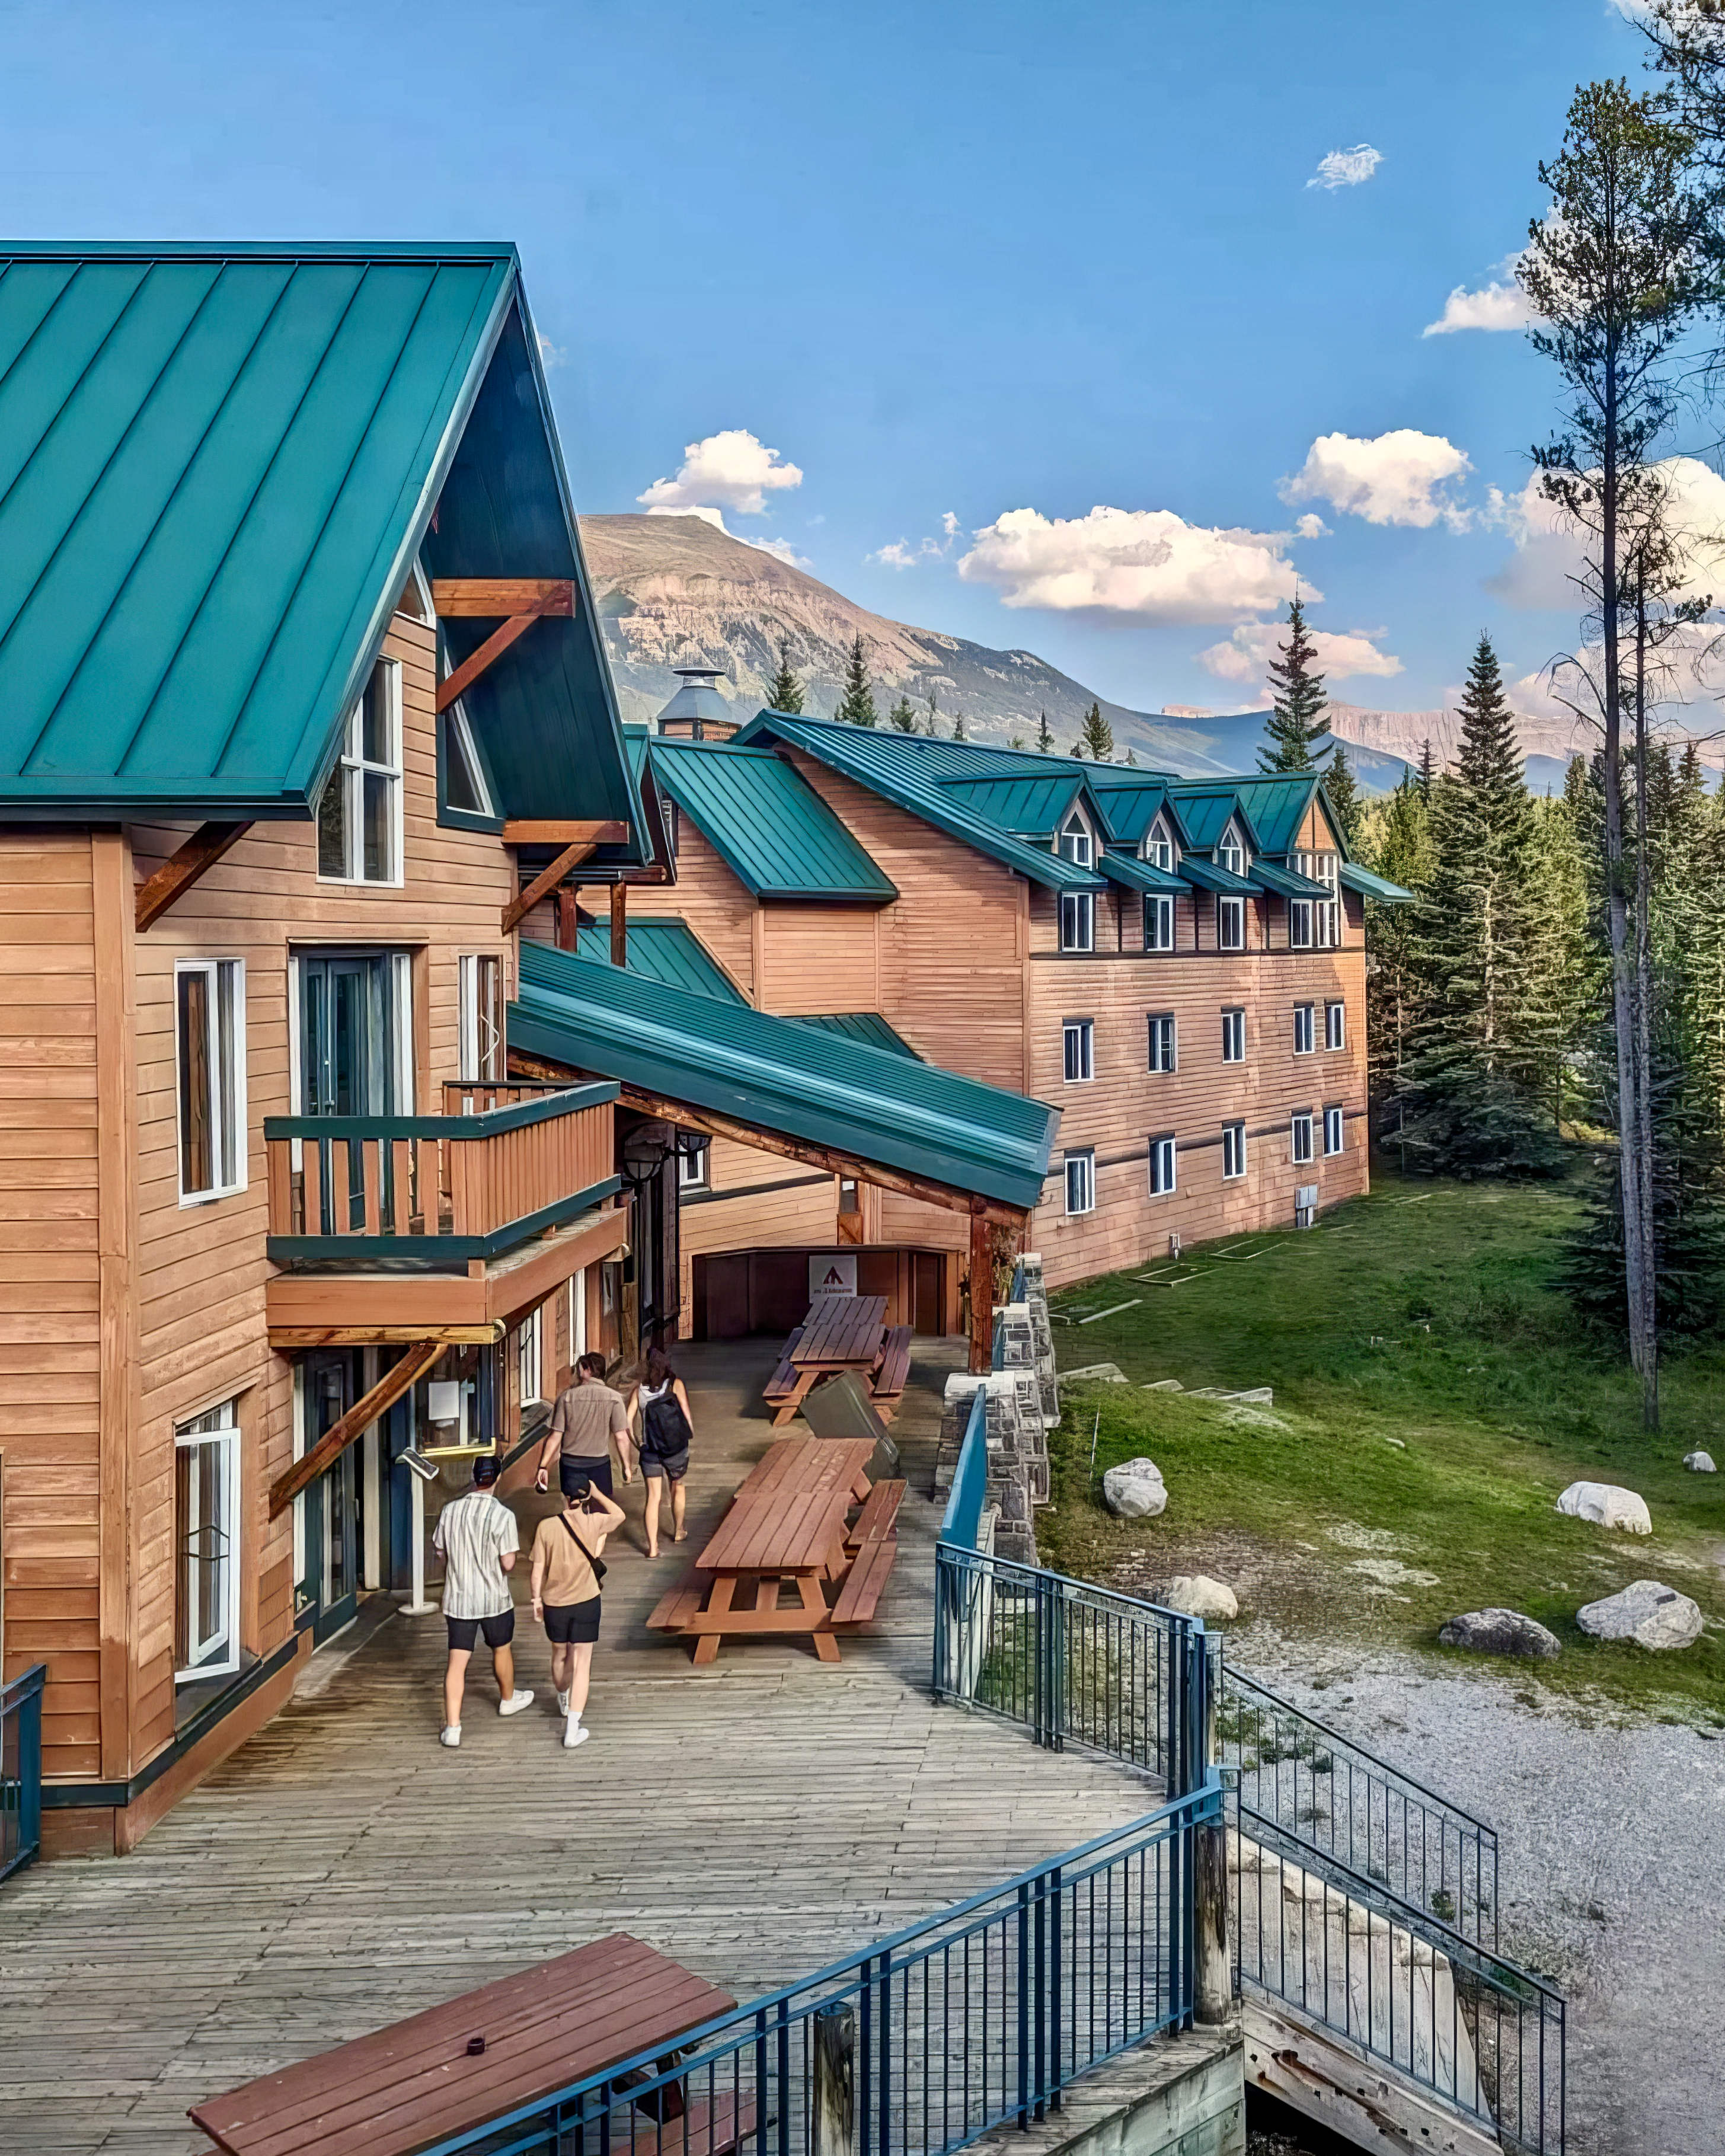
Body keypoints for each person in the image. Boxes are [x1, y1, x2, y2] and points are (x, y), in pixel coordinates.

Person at [431, 1454, 534, 1746]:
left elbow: (440, 1551)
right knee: (502, 1650)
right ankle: (507, 1699)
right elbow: (509, 1563)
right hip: (494, 1599)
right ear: (498, 1478)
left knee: (456, 1662)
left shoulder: (450, 1511)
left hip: (459, 1599)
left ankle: (453, 1728)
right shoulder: (503, 1516)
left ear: (473, 1477)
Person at [529, 1472, 625, 1748]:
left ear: (564, 1496)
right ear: (585, 1497)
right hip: (587, 1601)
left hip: (555, 1603)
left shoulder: (546, 1527)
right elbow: (619, 1515)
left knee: (560, 1654)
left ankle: (562, 1694)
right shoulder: (595, 1522)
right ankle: (572, 1730)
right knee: (582, 1663)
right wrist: (598, 1493)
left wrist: (536, 1600)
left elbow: (537, 1569)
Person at [535, 1350, 632, 1502]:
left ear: (588, 1370)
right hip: (599, 1464)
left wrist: (543, 1466)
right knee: (600, 1507)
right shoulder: (614, 1398)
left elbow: (555, 1437)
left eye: (581, 1367)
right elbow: (621, 1437)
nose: (577, 1371)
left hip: (571, 1464)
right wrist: (627, 1467)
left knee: (574, 1509)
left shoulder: (566, 1397)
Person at [626, 1347, 695, 1559]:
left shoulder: (638, 1391)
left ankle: (653, 1548)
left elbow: (627, 1422)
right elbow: (686, 1413)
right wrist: (689, 1433)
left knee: (653, 1497)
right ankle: (679, 1530)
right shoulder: (675, 1384)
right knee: (678, 1485)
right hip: (675, 1447)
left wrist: (637, 1443)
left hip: (650, 1449)